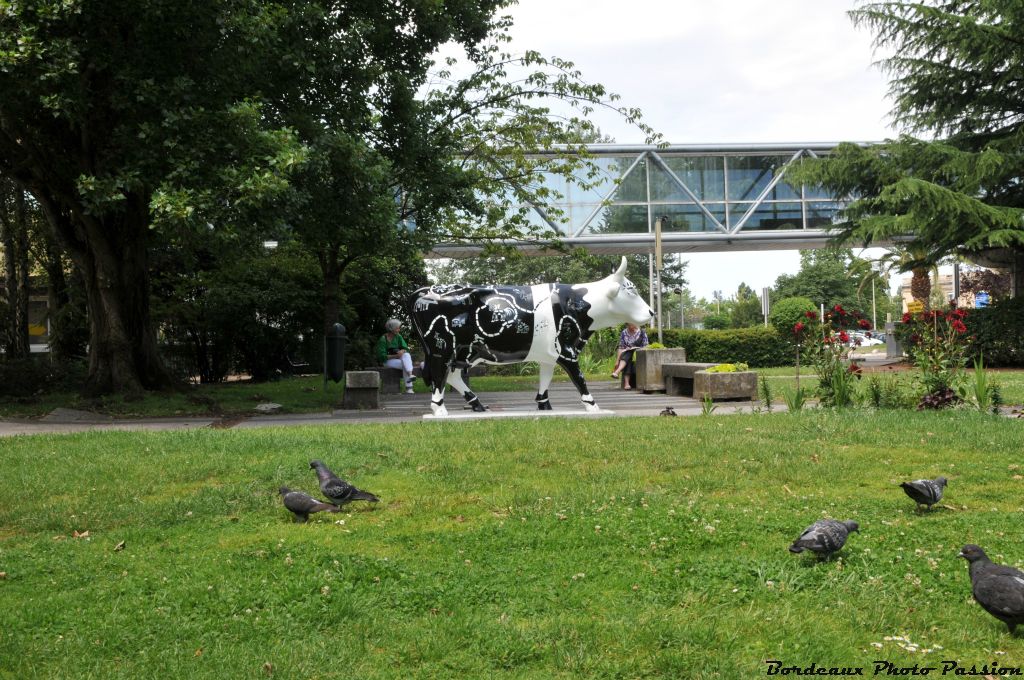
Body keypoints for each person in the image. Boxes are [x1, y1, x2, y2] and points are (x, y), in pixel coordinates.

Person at [376, 319, 415, 394]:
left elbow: (406, 348)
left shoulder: (398, 336)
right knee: (405, 364)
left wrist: (402, 351)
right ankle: (409, 388)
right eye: (397, 328)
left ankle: (410, 374)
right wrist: (396, 355)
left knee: (406, 355)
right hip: (387, 361)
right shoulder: (383, 339)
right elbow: (382, 357)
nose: (399, 329)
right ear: (392, 329)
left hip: (398, 359)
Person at [610, 322, 648, 390]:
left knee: (628, 352)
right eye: (630, 325)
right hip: (626, 354)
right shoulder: (624, 333)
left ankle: (618, 373)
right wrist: (617, 361)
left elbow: (646, 346)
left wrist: (635, 349)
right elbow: (621, 347)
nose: (632, 327)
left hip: (639, 353)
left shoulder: (642, 332)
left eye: (633, 324)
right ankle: (626, 384)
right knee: (628, 354)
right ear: (627, 325)